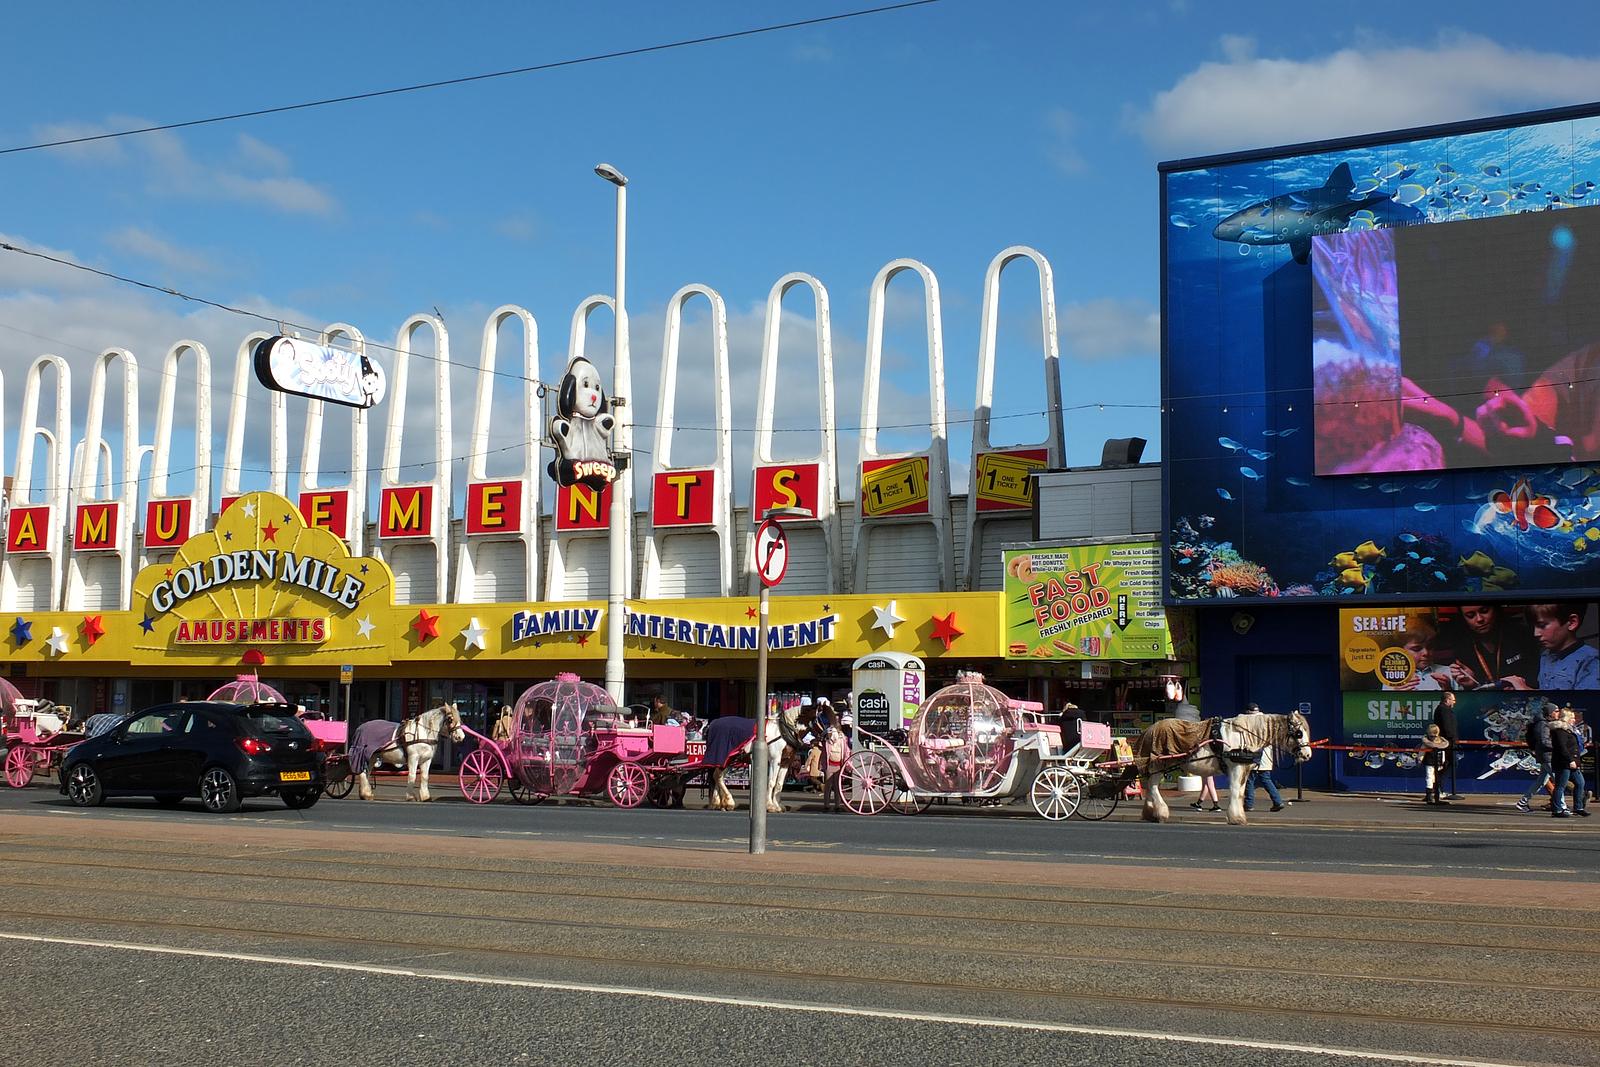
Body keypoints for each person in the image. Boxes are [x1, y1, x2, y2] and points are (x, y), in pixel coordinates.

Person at [1446, 605, 1540, 690]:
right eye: (1471, 616)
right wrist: (1472, 684)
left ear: (1496, 610)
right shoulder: (1463, 650)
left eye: (1484, 611)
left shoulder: (1522, 635)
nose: (1479, 619)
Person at [1508, 604, 1600, 691]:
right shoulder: (1545, 655)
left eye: (1542, 625)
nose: (1536, 633)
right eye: (1534, 626)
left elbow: (1588, 702)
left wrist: (1527, 691)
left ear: (1572, 622)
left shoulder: (1591, 659)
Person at [1517, 703, 1559, 813]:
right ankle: (1560, 806)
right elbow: (1544, 741)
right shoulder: (1542, 724)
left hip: (1546, 755)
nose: (1558, 713)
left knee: (1541, 781)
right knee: (1559, 780)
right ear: (1550, 713)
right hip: (1547, 756)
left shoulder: (1545, 723)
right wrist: (1557, 746)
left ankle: (1523, 802)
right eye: (1556, 711)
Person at [1550, 710, 1590, 818]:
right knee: (1560, 786)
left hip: (1573, 762)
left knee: (1580, 783)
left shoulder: (1569, 730)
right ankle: (1557, 809)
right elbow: (1562, 747)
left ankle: (1578, 807)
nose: (1574, 720)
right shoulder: (1560, 731)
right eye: (1572, 718)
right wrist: (1570, 760)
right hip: (1564, 763)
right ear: (1566, 718)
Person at [1243, 714, 1285, 813]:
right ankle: (1278, 801)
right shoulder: (1268, 726)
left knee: (1250, 781)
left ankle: (1248, 804)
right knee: (1266, 780)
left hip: (1254, 759)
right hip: (1266, 761)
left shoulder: (1251, 725)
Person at [1432, 690, 1460, 796]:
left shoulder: (1444, 709)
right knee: (1452, 763)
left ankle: (1439, 787)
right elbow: (1447, 726)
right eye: (1453, 700)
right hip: (1447, 742)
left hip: (1449, 741)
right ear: (1447, 700)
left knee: (1449, 764)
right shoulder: (1443, 710)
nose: (1454, 702)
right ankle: (1438, 786)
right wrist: (1452, 738)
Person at [1419, 724, 1451, 805]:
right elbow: (1443, 751)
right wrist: (1443, 762)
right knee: (1434, 778)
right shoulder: (1442, 742)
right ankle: (1435, 794)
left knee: (1429, 777)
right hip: (1439, 762)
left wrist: (1419, 760)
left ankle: (1429, 795)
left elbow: (1421, 752)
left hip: (1430, 762)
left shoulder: (1426, 742)